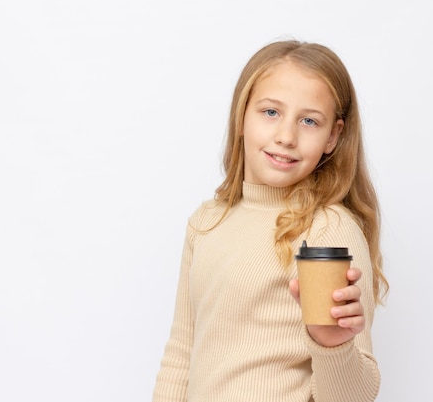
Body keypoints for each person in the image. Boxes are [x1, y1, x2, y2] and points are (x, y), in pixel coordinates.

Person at [152, 39, 388, 402]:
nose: (286, 137)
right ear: (241, 115)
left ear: (333, 136)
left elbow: (352, 397)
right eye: (271, 112)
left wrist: (333, 345)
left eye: (309, 120)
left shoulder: (328, 230)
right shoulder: (207, 222)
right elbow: (181, 354)